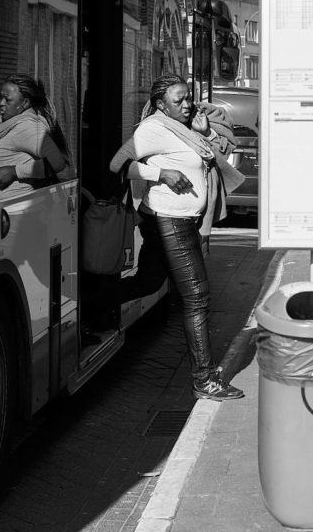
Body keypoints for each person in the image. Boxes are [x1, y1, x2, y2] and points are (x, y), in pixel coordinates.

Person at [109, 74, 244, 401]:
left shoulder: (182, 127)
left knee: (148, 282)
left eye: (187, 98)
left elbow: (214, 152)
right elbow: (117, 164)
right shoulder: (153, 129)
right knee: (197, 297)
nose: (186, 105)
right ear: (160, 104)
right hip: (171, 222)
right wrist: (161, 173)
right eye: (178, 101)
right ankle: (204, 379)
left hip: (179, 221)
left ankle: (93, 301)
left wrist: (204, 131)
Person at [0, 74, 71, 203]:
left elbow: (57, 162)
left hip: (20, 214)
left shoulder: (28, 126)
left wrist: (14, 171)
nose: (0, 103)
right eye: (0, 98)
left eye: (8, 99)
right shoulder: (8, 126)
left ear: (25, 103)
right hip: (3, 214)